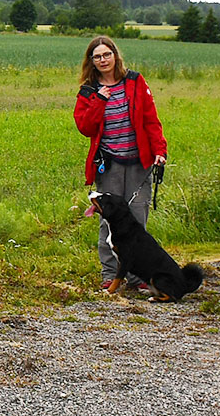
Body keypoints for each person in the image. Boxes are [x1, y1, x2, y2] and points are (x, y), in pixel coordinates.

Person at [71, 36, 167, 292]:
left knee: (137, 220)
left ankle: (137, 278)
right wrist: (100, 101)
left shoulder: (135, 82)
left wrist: (159, 150)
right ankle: (110, 274)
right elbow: (85, 127)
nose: (103, 60)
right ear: (91, 61)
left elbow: (151, 119)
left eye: (106, 54)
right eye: (97, 57)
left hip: (139, 163)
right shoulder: (89, 91)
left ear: (115, 55)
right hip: (109, 164)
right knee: (109, 222)